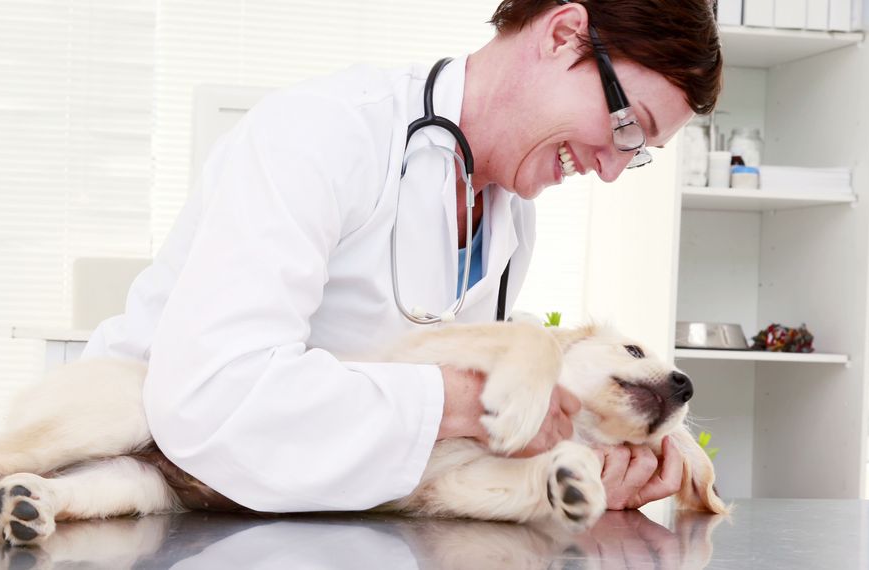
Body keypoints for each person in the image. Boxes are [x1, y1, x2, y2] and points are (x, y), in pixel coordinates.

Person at [83, 0, 722, 513]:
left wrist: (583, 472)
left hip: (310, 523)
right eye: (627, 126)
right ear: (563, 34)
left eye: (637, 153)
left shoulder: (511, 220)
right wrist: (465, 401)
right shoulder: (323, 133)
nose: (612, 170)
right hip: (126, 479)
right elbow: (214, 398)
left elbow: (422, 438)